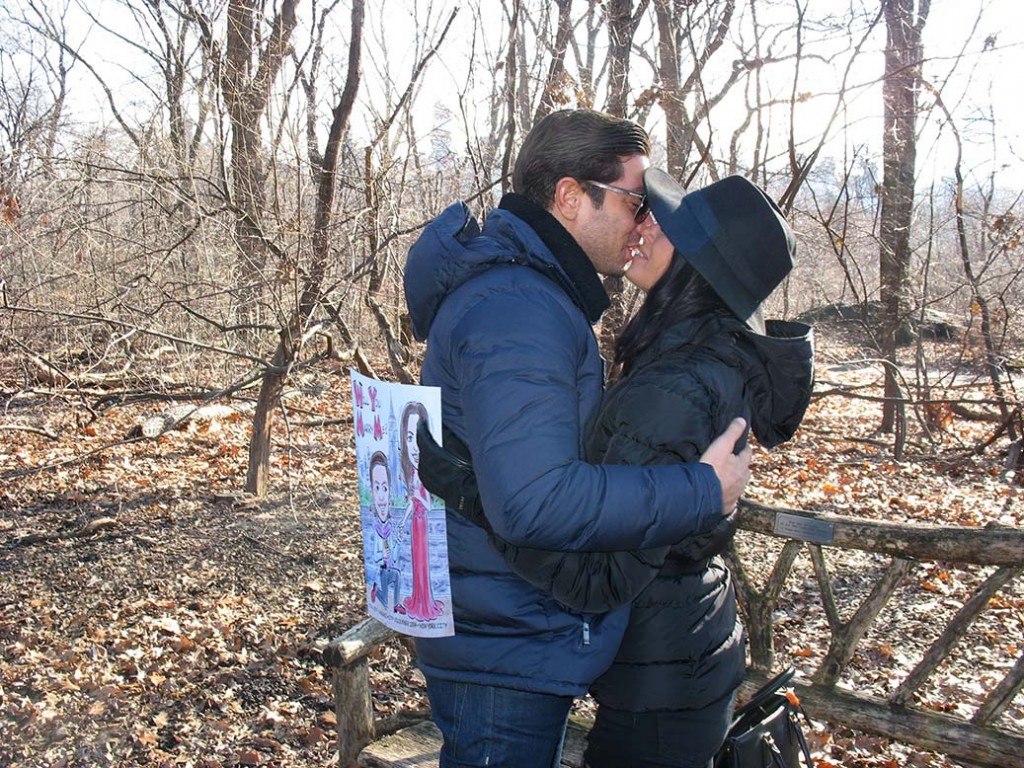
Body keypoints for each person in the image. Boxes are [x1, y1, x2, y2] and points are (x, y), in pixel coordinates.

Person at [421, 170, 815, 767]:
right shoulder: (695, 359)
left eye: (668, 225)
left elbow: (598, 577)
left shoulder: (676, 383)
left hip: (661, 678)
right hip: (680, 651)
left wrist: (472, 489)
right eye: (649, 211)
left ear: (699, 269)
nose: (644, 223)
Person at [394, 401, 444, 621]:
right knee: (417, 563)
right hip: (415, 522)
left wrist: (419, 497)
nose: (414, 446)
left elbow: (427, 502)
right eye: (409, 438)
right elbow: (411, 504)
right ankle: (417, 598)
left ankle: (426, 602)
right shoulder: (413, 474)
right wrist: (402, 522)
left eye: (418, 437)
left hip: (422, 522)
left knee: (424, 562)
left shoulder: (427, 474)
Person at [368, 451, 401, 611]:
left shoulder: (389, 527)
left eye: (385, 489)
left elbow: (394, 555)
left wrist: (397, 544)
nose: (381, 496)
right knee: (385, 587)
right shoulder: (376, 530)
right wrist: (382, 556)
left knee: (397, 576)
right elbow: (374, 556)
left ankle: (395, 605)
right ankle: (378, 592)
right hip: (381, 571)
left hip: (390, 568)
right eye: (377, 488)